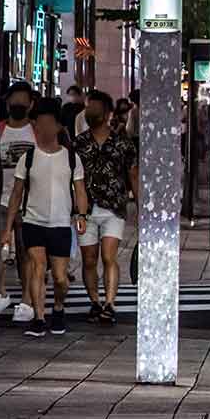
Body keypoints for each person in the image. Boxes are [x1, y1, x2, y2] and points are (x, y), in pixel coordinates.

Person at [2, 97, 88, 337]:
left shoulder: (71, 158)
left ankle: (58, 307)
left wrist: (81, 215)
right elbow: (16, 194)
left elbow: (80, 190)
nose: (45, 128)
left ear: (59, 126)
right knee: (37, 267)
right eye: (40, 123)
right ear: (35, 125)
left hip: (61, 223)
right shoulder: (27, 159)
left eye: (50, 123)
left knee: (61, 278)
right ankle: (39, 318)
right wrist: (8, 227)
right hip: (33, 222)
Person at [75, 90, 137, 324]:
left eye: (96, 109)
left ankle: (110, 303)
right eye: (89, 108)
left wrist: (139, 205)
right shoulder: (79, 143)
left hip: (114, 208)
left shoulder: (122, 144)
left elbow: (133, 174)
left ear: (108, 113)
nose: (91, 113)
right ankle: (94, 301)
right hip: (84, 208)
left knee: (109, 256)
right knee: (89, 259)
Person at [0, 82, 38, 321]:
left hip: (30, 203)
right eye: (14, 100)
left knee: (26, 253)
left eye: (23, 100)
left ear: (31, 104)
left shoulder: (36, 131)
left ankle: (26, 300)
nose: (18, 104)